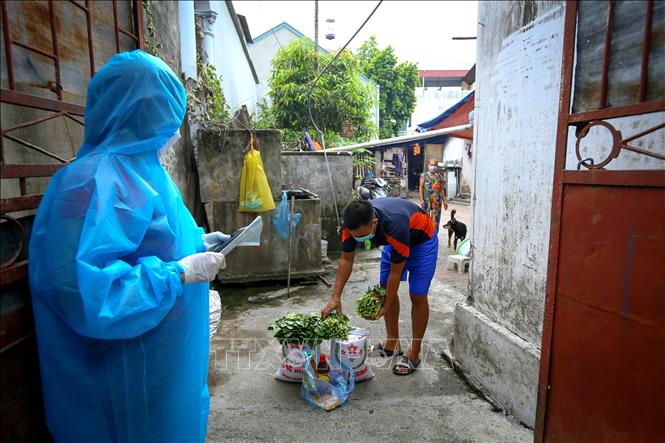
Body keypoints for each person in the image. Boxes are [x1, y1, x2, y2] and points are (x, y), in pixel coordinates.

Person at [28, 50, 227, 442]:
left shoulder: (145, 169)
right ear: (136, 112)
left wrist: (195, 243)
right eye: (163, 111)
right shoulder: (89, 180)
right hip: (118, 368)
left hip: (161, 357)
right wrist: (179, 272)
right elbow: (86, 293)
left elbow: (148, 241)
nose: (172, 128)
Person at [321, 198, 439, 376]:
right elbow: (346, 259)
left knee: (417, 295)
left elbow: (395, 273)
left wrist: (385, 305)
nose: (358, 239)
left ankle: (414, 352)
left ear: (374, 223)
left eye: (361, 236)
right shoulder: (350, 227)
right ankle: (392, 343)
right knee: (383, 288)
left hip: (422, 241)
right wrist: (335, 297)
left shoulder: (394, 225)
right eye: (355, 236)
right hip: (395, 243)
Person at [420, 158, 448, 226]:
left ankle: (434, 234)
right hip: (427, 201)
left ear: (437, 166)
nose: (433, 166)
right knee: (425, 219)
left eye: (435, 165)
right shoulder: (424, 176)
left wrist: (444, 201)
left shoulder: (439, 177)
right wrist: (422, 200)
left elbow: (441, 190)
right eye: (431, 165)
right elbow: (421, 188)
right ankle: (426, 235)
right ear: (428, 165)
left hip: (437, 201)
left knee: (436, 219)